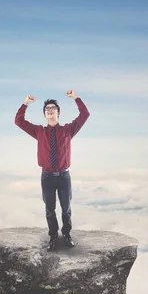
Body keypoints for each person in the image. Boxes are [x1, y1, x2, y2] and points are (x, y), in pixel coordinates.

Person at [14, 90, 90, 251]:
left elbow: (85, 114)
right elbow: (19, 121)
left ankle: (67, 235)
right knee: (49, 209)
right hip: (47, 177)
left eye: (53, 108)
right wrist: (25, 103)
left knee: (66, 208)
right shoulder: (39, 131)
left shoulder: (68, 130)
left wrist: (75, 98)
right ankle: (53, 237)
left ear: (58, 113)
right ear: (44, 114)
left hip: (64, 176)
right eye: (47, 108)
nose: (50, 110)